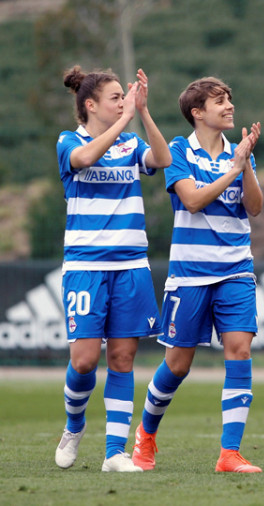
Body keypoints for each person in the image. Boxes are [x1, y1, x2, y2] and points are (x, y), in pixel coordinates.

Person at [131, 77, 264, 473]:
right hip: (190, 275)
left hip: (237, 269)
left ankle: (229, 453)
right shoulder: (177, 149)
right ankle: (147, 434)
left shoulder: (239, 153)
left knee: (239, 350)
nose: (229, 106)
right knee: (177, 364)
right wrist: (232, 171)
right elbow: (191, 200)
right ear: (197, 112)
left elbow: (254, 207)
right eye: (220, 101)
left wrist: (246, 166)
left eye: (230, 99)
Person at [54, 66, 170, 473]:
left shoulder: (130, 142)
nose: (124, 102)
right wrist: (124, 119)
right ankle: (74, 425)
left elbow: (162, 158)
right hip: (85, 266)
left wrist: (144, 113)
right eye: (116, 96)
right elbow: (85, 158)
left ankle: (114, 453)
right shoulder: (71, 141)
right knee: (84, 360)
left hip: (131, 266)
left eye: (125, 96)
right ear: (91, 105)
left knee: (122, 358)